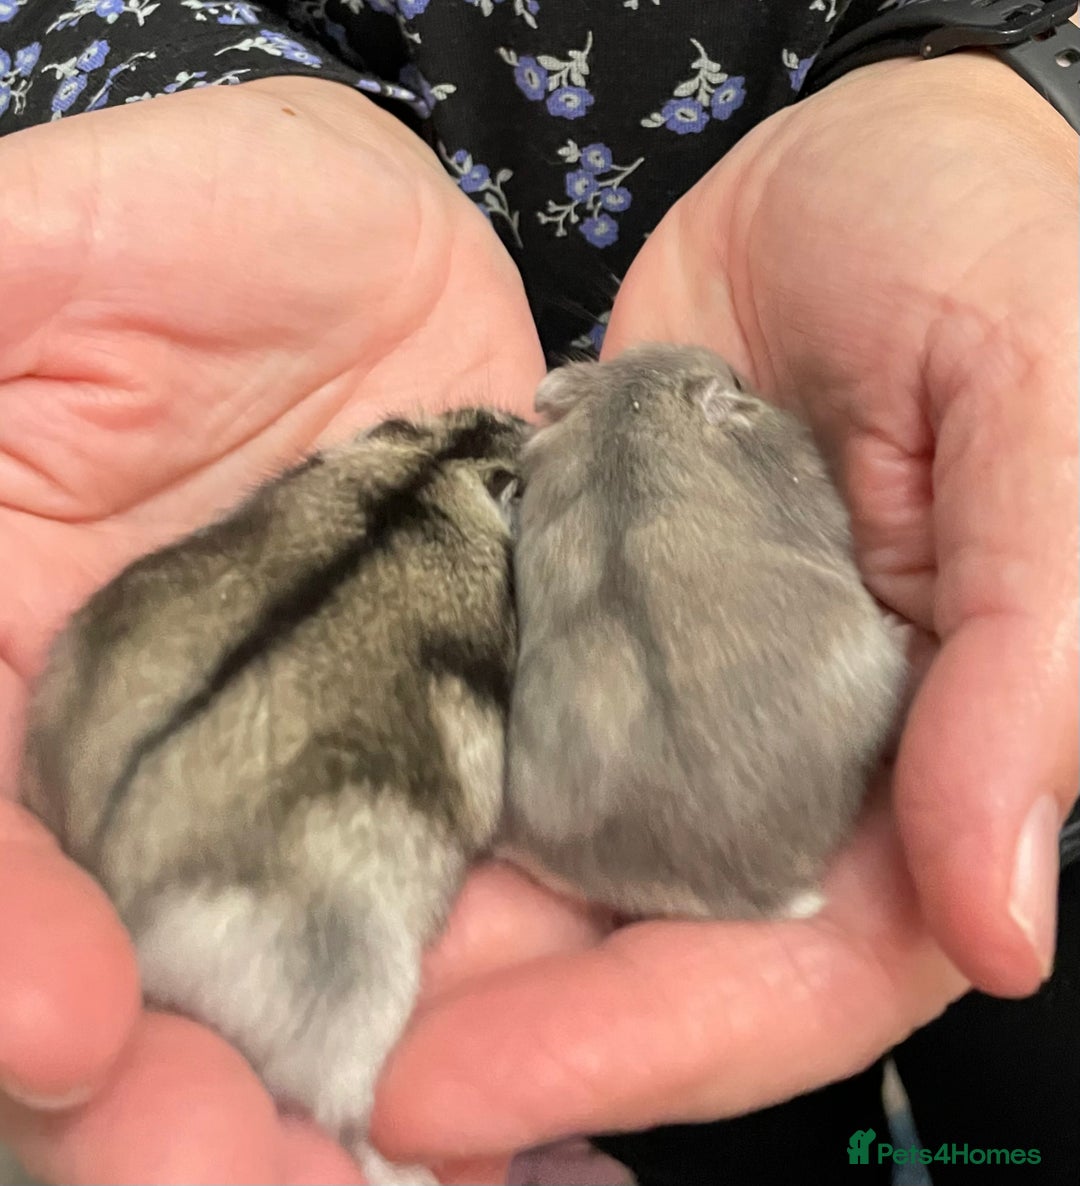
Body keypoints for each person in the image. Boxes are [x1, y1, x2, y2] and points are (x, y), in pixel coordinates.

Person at [0, 1, 1076, 1182]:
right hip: (672, 823)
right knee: (734, 1127)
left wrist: (1014, 91)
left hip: (967, 702)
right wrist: (195, 89)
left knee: (1021, 1107)